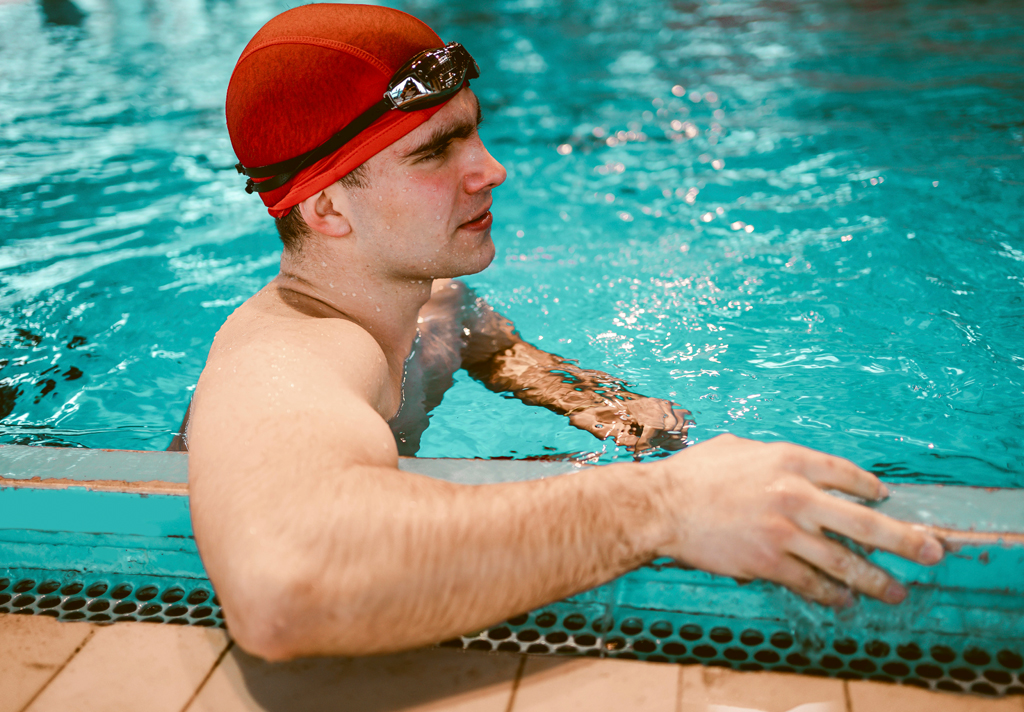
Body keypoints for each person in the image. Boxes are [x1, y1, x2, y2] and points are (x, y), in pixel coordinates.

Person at [185, 3, 944, 661]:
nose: (492, 169)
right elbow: (288, 583)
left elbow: (492, 348)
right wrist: (665, 505)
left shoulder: (434, 300)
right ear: (325, 210)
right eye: (435, 151)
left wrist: (598, 404)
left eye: (473, 133)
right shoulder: (290, 350)